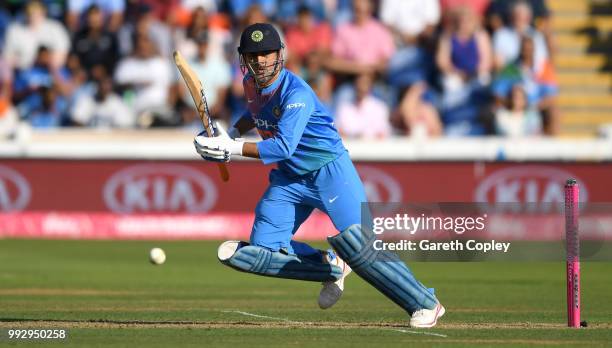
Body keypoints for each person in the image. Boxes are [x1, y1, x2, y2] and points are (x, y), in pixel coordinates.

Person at [193, 23, 445, 328]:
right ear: (244, 58)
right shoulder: (250, 83)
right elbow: (255, 112)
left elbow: (284, 146)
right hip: (290, 179)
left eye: (266, 54)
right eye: (253, 55)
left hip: (330, 171)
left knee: (361, 247)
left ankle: (425, 303)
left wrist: (230, 147)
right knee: (262, 251)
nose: (260, 61)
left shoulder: (296, 92)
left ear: (279, 54)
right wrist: (231, 132)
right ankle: (330, 266)